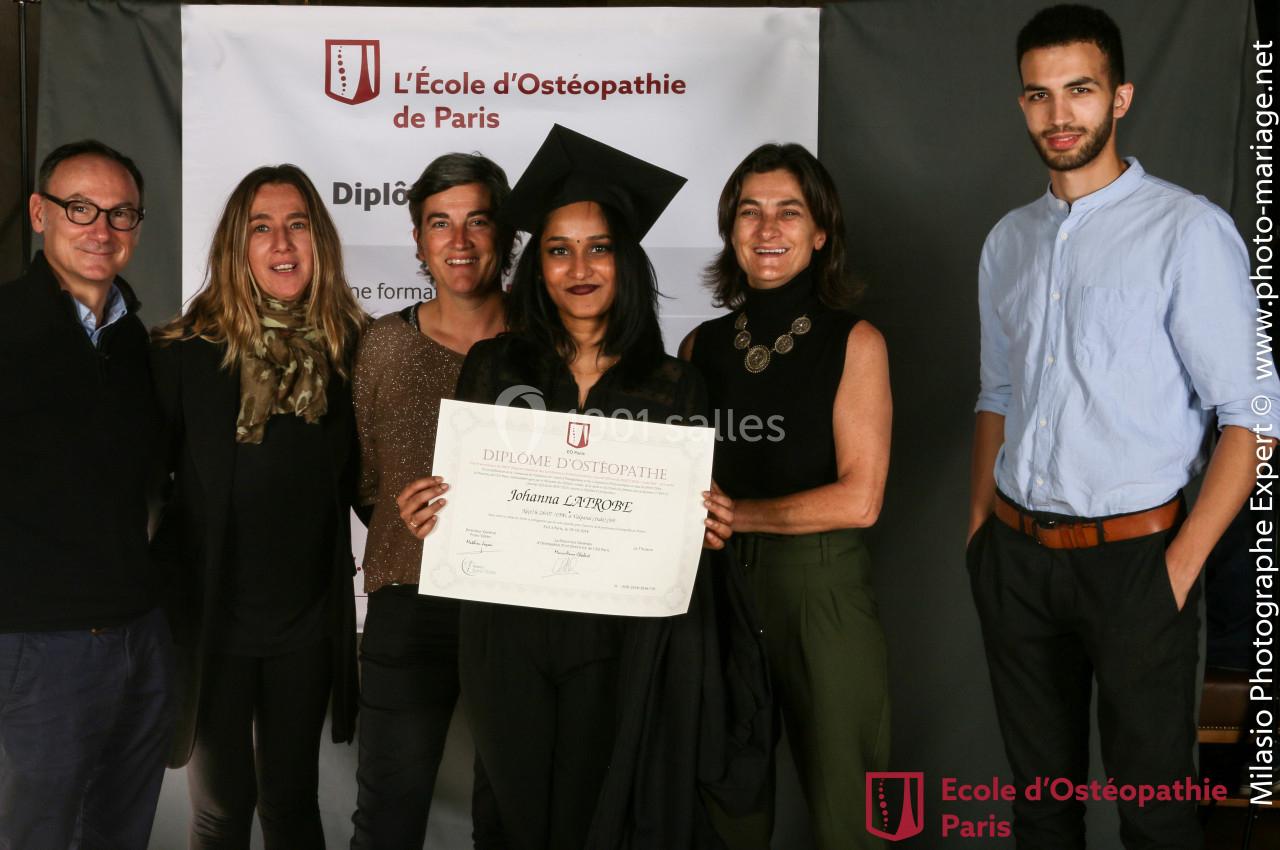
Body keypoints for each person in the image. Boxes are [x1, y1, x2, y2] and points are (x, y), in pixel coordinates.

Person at [967, 5, 1280, 848]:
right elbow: (996, 393)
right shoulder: (1009, 242)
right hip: (1019, 561)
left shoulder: (1188, 231)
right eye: (1038, 95)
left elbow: (1251, 417)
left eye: (1079, 90)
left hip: (1141, 562)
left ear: (1121, 96)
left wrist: (1179, 566)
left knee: (1156, 818)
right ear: (1022, 103)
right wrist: (979, 535)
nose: (1058, 114)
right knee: (1040, 812)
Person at [397, 125, 740, 850]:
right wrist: (432, 512)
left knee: (595, 818)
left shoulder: (674, 384)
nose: (578, 267)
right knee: (512, 818)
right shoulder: (493, 365)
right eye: (558, 249)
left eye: (599, 247)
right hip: (505, 636)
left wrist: (705, 525)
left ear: (626, 261)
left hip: (615, 640)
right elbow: (464, 493)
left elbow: (688, 530)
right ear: (537, 267)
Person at [682, 143, 892, 850]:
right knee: (725, 803)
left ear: (821, 231)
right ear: (730, 229)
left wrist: (742, 515)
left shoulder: (855, 342)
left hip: (820, 590)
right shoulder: (698, 348)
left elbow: (860, 500)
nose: (767, 228)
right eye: (750, 211)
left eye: (788, 211)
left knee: (852, 813)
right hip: (718, 592)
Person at [151, 164, 367, 849]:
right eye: (262, 229)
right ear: (235, 248)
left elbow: (367, 485)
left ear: (319, 243)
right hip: (212, 624)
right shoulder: (182, 353)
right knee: (221, 811)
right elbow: (143, 489)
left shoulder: (350, 351)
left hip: (305, 623)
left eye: (297, 226)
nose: (282, 244)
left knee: (292, 802)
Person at [0, 139, 173, 850]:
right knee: (39, 836)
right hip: (40, 644)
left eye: (120, 213)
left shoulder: (137, 344)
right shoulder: (5, 328)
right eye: (80, 209)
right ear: (41, 214)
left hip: (139, 635)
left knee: (119, 834)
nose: (101, 229)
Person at [350, 152, 513, 849]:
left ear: (503, 235)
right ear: (418, 240)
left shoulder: (548, 345)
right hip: (409, 603)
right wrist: (399, 515)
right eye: (439, 223)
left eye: (477, 221)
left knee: (512, 815)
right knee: (388, 817)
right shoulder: (383, 346)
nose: (459, 240)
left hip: (522, 603)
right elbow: (363, 481)